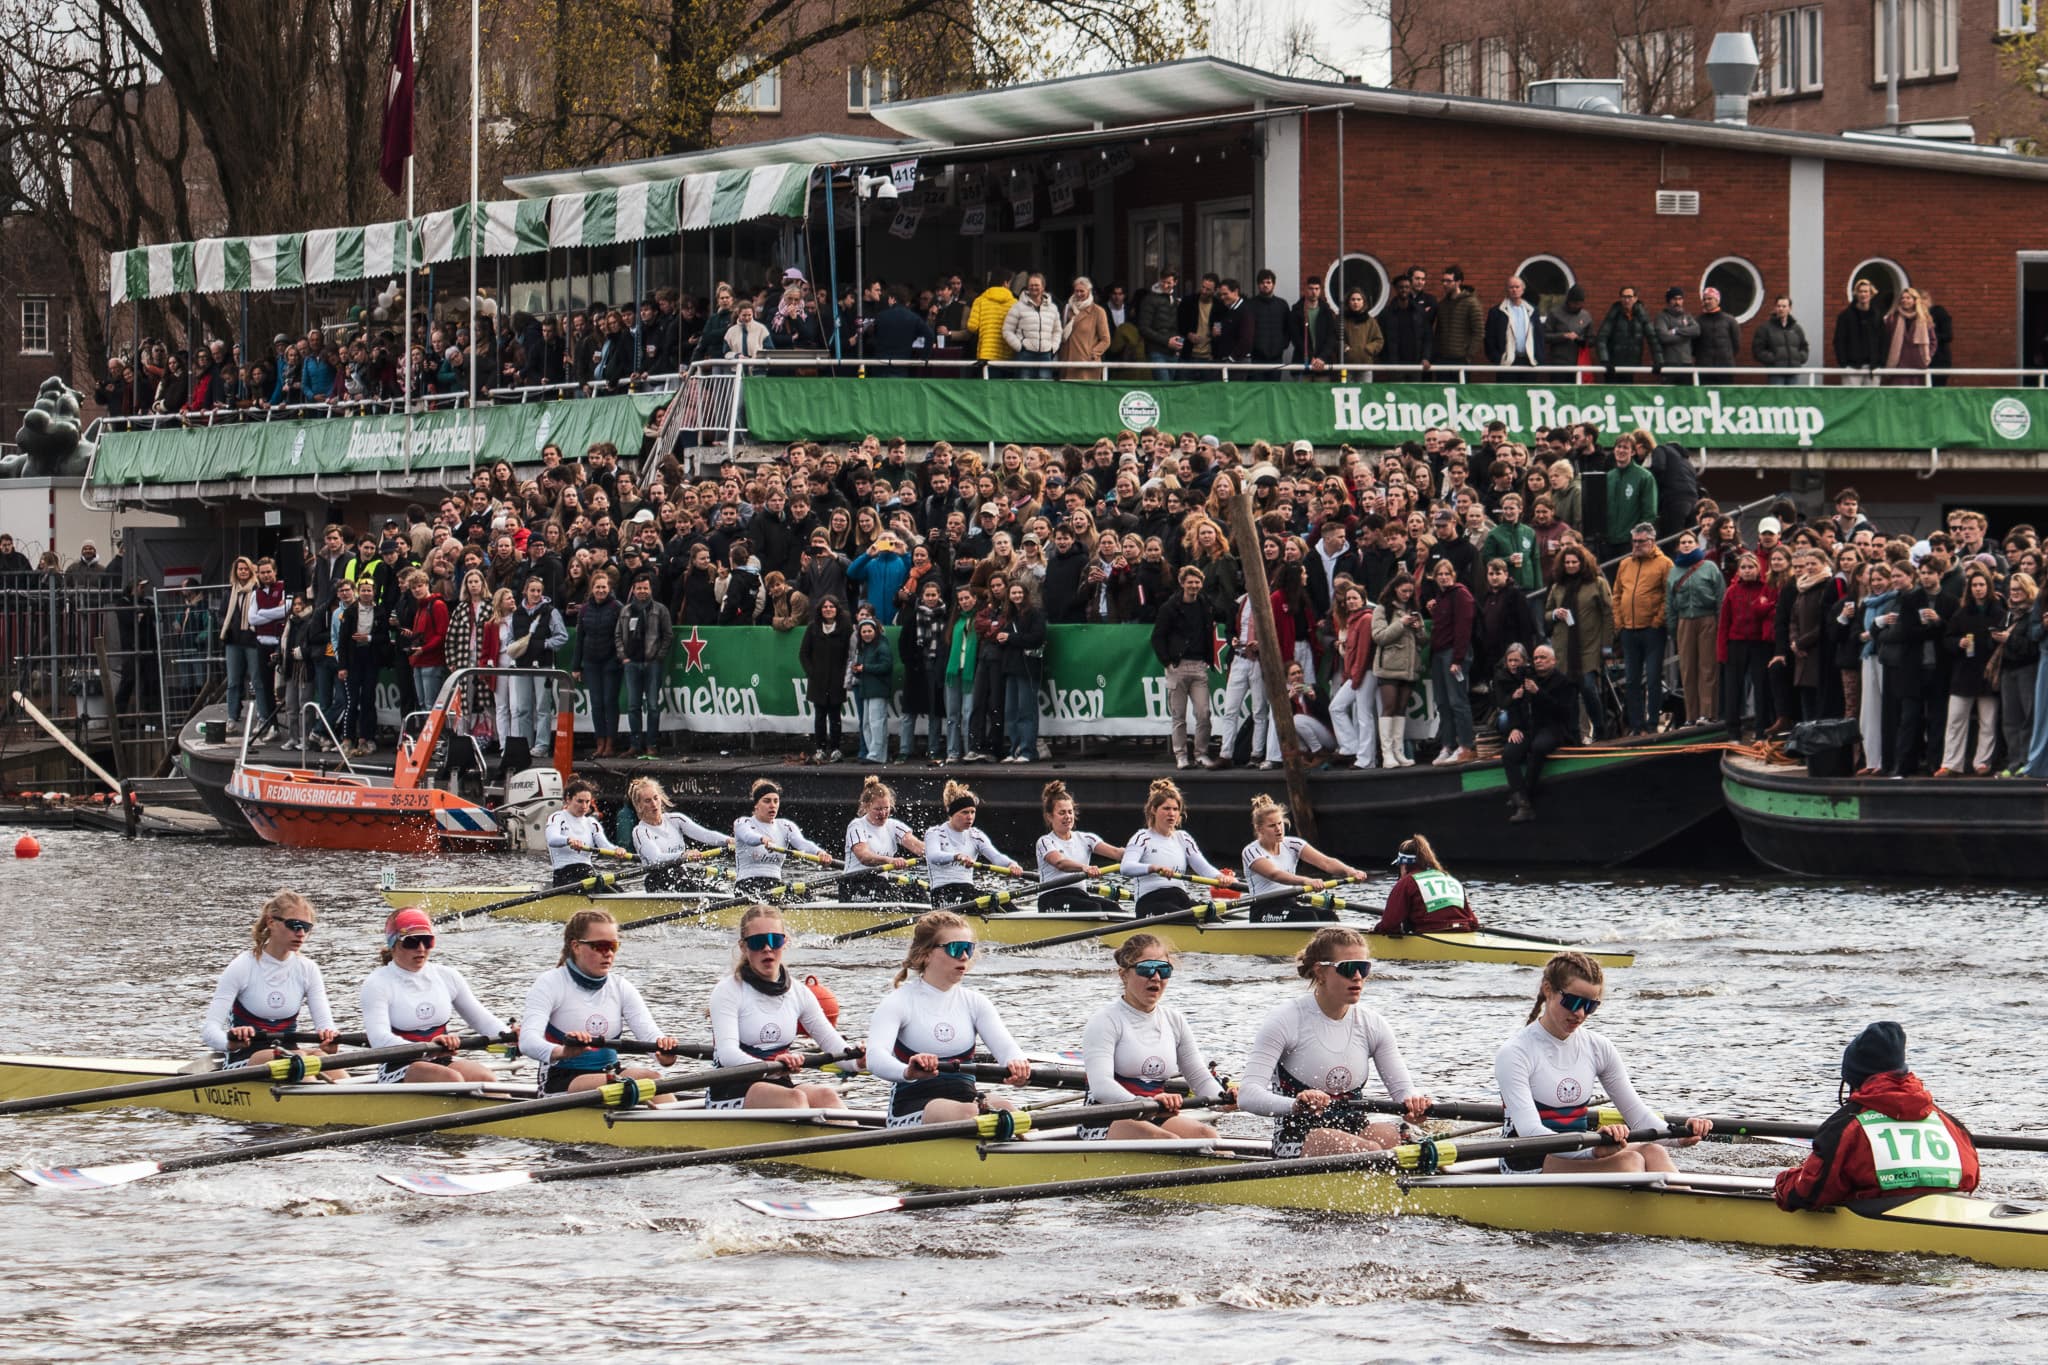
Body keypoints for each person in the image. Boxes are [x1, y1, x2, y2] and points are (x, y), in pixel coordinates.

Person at [1495, 951, 1711, 1173]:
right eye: (1572, 1002)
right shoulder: (1515, 1053)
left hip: (1579, 1151)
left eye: (1590, 1006)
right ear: (1548, 990)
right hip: (1526, 1159)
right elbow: (1530, 1131)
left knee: (1654, 1151)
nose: (1580, 1013)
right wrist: (1592, 1150)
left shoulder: (1598, 1047)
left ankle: (1682, 1194)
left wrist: (1679, 1136)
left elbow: (1638, 1116)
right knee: (1629, 1162)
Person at [1239, 927, 1431, 1157]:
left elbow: (1402, 1090)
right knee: (1371, 1150)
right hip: (1298, 1138)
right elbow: (1247, 1095)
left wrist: (1414, 1104)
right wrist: (1295, 1104)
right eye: (1348, 968)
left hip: (1356, 1135)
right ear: (1320, 972)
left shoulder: (1373, 1024)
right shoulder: (1285, 1021)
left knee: (1391, 1135)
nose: (1357, 977)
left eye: (1363, 968)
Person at [1773, 1022, 1980, 1211]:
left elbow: (1808, 1194)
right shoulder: (1951, 1125)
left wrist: (1783, 1183)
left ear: (1853, 1078)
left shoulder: (1845, 1127)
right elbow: (1971, 1180)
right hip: (1951, 1214)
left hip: (1878, 1222)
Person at [865, 911, 1032, 1127]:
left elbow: (1008, 1050)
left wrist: (1018, 1068)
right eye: (955, 948)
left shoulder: (976, 1003)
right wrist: (907, 1071)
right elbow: (875, 1058)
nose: (964, 957)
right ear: (926, 954)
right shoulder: (898, 1002)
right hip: (912, 1107)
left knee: (1008, 1109)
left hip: (966, 1103)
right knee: (969, 1112)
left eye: (968, 949)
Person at [1079, 934, 1230, 1141]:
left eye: (1164, 969)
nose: (1156, 977)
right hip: (1105, 1118)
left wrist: (1224, 1099)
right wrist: (1145, 1103)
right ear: (1124, 975)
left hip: (1154, 1113)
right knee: (1169, 1142)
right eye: (1146, 969)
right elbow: (1102, 1087)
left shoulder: (1174, 1021)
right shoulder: (1105, 1021)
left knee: (1208, 1136)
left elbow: (1200, 1077)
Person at [707, 905, 857, 1110]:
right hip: (731, 1089)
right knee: (795, 1100)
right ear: (743, 947)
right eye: (758, 942)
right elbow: (727, 1054)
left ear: (785, 942)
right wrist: (771, 1068)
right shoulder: (728, 991)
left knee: (826, 1095)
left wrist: (859, 1061)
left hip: (780, 1085)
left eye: (774, 940)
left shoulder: (799, 993)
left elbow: (833, 1043)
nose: (767, 948)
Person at [517, 909, 680, 1097]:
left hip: (611, 1076)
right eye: (601, 946)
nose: (608, 953)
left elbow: (651, 1036)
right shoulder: (550, 983)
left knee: (655, 1080)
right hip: (561, 1081)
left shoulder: (621, 987)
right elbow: (527, 1042)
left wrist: (666, 1054)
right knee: (643, 1080)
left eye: (613, 946)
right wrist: (563, 1051)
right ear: (576, 946)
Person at [359, 906, 503, 1084]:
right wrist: (427, 1048)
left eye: (427, 941)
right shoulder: (377, 983)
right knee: (451, 1078)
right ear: (393, 945)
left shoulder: (447, 976)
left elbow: (483, 1021)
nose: (421, 948)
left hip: (439, 1059)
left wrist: (511, 1036)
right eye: (411, 942)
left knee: (487, 1078)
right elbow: (379, 1039)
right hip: (398, 1064)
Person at [200, 890, 339, 1066]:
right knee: (298, 1059)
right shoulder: (242, 966)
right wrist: (231, 1042)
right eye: (294, 925)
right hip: (245, 1060)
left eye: (306, 927)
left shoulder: (308, 969)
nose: (301, 933)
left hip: (292, 1057)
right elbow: (209, 1031)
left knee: (323, 1057)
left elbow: (326, 1026)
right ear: (271, 922)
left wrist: (329, 1039)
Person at [1240, 793, 1366, 922]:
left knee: (1328, 916)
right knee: (1308, 917)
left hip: (1290, 904)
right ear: (1259, 829)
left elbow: (1326, 862)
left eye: (1280, 823)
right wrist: (1307, 881)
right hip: (1263, 911)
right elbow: (1275, 874)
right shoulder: (1251, 851)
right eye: (1272, 826)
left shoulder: (1293, 845)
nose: (1278, 829)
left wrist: (1350, 871)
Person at [1119, 777, 1234, 917]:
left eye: (1175, 809)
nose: (1172, 814)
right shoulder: (1142, 838)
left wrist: (1220, 877)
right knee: (1190, 918)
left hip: (1180, 898)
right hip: (1150, 901)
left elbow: (1203, 868)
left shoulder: (1183, 838)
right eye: (1166, 808)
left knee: (1214, 918)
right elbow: (1125, 867)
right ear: (1153, 810)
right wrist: (1153, 868)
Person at [1499, 643, 1581, 821]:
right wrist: (1514, 727)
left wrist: (1538, 693)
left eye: (1543, 657)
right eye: (1535, 658)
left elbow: (1564, 713)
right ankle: (1523, 801)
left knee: (1538, 747)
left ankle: (1523, 798)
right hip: (1530, 727)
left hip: (1554, 727)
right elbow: (1515, 705)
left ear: (1553, 661)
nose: (1538, 661)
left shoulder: (1564, 682)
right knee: (1509, 753)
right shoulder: (1528, 678)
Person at [1152, 564, 1218, 769]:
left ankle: (1201, 753)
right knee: (1178, 715)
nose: (1194, 586)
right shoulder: (1169, 607)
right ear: (1182, 583)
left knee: (1204, 713)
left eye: (1197, 582)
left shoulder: (1205, 604)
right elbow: (1157, 637)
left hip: (1199, 665)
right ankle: (1181, 755)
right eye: (1190, 582)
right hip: (1177, 666)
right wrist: (1167, 662)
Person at [923, 779, 1021, 907]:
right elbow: (933, 856)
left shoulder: (976, 835)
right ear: (952, 813)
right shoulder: (934, 833)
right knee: (982, 901)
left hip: (968, 891)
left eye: (972, 812)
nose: (970, 817)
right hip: (942, 894)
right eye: (964, 812)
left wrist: (1011, 864)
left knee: (1002, 902)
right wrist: (957, 856)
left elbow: (996, 857)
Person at [1034, 779, 1127, 915]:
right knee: (1092, 908)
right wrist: (1084, 867)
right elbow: (1060, 863)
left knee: (1115, 909)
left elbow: (1116, 853)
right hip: (1051, 898)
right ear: (1049, 817)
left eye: (1070, 812)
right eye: (1062, 813)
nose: (1067, 817)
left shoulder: (1086, 839)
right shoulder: (1045, 841)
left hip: (1079, 895)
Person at [1613, 523, 1672, 736]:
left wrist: (1658, 620)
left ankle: (1653, 722)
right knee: (1631, 680)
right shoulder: (1625, 564)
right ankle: (1637, 725)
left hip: (1652, 630)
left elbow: (1668, 595)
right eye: (1634, 541)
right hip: (1629, 630)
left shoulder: (1665, 563)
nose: (1636, 545)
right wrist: (1619, 622)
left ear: (1652, 542)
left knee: (1654, 677)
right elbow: (1617, 594)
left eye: (1641, 541)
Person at [626, 775, 731, 891]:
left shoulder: (676, 819)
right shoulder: (640, 831)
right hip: (658, 881)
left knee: (718, 889)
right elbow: (655, 858)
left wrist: (728, 840)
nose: (654, 804)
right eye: (647, 801)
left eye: (656, 798)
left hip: (681, 876)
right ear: (639, 806)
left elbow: (705, 834)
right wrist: (683, 855)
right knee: (700, 890)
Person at [1666, 529, 1725, 725]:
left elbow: (1720, 597)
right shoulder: (1674, 571)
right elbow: (1670, 603)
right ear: (1678, 547)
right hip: (1684, 621)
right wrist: (1673, 629)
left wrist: (1720, 625)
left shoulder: (1710, 567)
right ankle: (1691, 716)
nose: (1686, 545)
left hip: (1707, 619)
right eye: (1683, 542)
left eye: (1690, 542)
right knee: (1687, 670)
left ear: (1697, 545)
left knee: (1707, 668)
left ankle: (1707, 713)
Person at [1425, 557, 1477, 764]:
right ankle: (1448, 745)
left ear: (1453, 576)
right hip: (1439, 654)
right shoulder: (1442, 597)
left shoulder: (1461, 594)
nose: (1443, 577)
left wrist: (1458, 658)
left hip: (1453, 654)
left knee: (1458, 701)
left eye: (1447, 574)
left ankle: (1466, 746)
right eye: (1440, 574)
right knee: (1442, 703)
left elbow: (1463, 628)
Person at [733, 778, 825, 896]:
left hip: (775, 885)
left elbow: (802, 843)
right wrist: (763, 839)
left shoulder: (785, 826)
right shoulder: (742, 822)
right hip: (747, 884)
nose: (772, 805)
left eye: (776, 801)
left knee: (806, 895)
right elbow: (748, 837)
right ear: (756, 805)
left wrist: (819, 852)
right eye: (767, 801)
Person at [1373, 833, 1481, 933]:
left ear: (1404, 865)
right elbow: (1474, 923)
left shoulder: (1407, 882)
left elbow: (1389, 924)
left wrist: (1377, 930)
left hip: (1431, 934)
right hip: (1463, 930)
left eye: (1399, 866)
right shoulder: (1450, 879)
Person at [843, 774, 925, 902]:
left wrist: (949, 855)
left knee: (917, 891)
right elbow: (864, 857)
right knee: (887, 896)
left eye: (886, 808)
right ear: (866, 807)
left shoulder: (894, 826)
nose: (883, 813)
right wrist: (890, 860)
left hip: (880, 883)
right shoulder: (857, 826)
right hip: (854, 884)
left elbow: (919, 848)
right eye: (878, 809)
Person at [1370, 573, 1424, 767]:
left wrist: (1418, 628)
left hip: (1409, 667)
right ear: (1395, 589)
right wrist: (1401, 623)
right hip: (1389, 667)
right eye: (1404, 591)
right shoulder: (1382, 609)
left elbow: (1423, 640)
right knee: (1389, 707)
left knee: (1401, 709)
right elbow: (1379, 637)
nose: (1407, 595)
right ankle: (1387, 754)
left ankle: (1398, 751)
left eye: (1410, 591)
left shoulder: (1414, 609)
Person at [800, 594, 853, 763]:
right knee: (820, 716)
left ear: (837, 609)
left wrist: (844, 673)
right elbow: (804, 654)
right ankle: (820, 749)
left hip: (837, 680)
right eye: (825, 607)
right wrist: (812, 673)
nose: (828, 609)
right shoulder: (813, 628)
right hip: (818, 681)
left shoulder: (845, 628)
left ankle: (836, 749)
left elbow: (850, 653)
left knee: (835, 716)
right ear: (820, 610)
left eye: (831, 606)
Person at [545, 779, 619, 887]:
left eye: (587, 802)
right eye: (580, 801)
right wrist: (568, 840)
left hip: (587, 872)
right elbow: (552, 839)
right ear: (568, 799)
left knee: (616, 888)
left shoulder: (592, 823)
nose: (584, 806)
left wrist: (617, 850)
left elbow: (605, 846)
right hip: (564, 875)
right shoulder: (557, 817)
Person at [852, 617, 896, 764]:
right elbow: (863, 669)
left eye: (869, 631)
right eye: (864, 632)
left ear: (875, 631)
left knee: (877, 723)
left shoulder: (882, 646)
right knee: (867, 724)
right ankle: (873, 753)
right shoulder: (863, 648)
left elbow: (886, 666)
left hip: (878, 689)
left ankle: (876, 755)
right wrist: (857, 671)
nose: (866, 634)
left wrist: (865, 668)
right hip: (866, 690)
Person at [1753, 295, 1810, 384]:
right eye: (1778, 306)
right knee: (1777, 393)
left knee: (1792, 394)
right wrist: (1774, 359)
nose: (1781, 309)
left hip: (1793, 372)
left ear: (1789, 308)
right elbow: (1758, 350)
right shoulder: (1765, 328)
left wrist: (1798, 358)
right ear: (1775, 308)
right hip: (1776, 373)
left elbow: (1804, 347)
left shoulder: (1796, 328)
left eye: (1784, 306)